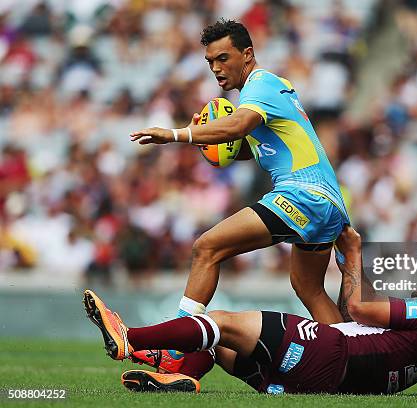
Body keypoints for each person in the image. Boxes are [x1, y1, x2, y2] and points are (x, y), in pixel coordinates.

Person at [127, 18, 351, 378]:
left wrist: (175, 134)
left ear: (247, 54)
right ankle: (352, 362)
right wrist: (215, 143)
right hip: (326, 202)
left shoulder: (259, 85)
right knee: (308, 287)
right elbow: (254, 145)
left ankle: (175, 349)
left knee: (207, 247)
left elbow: (236, 126)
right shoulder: (271, 91)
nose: (216, 68)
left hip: (303, 194)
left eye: (223, 58)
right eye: (210, 62)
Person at [84, 226, 417, 394]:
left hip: (327, 355)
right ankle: (179, 377)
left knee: (221, 321)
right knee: (222, 346)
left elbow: (360, 310)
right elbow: (362, 332)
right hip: (328, 379)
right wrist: (341, 266)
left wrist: (355, 253)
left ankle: (129, 338)